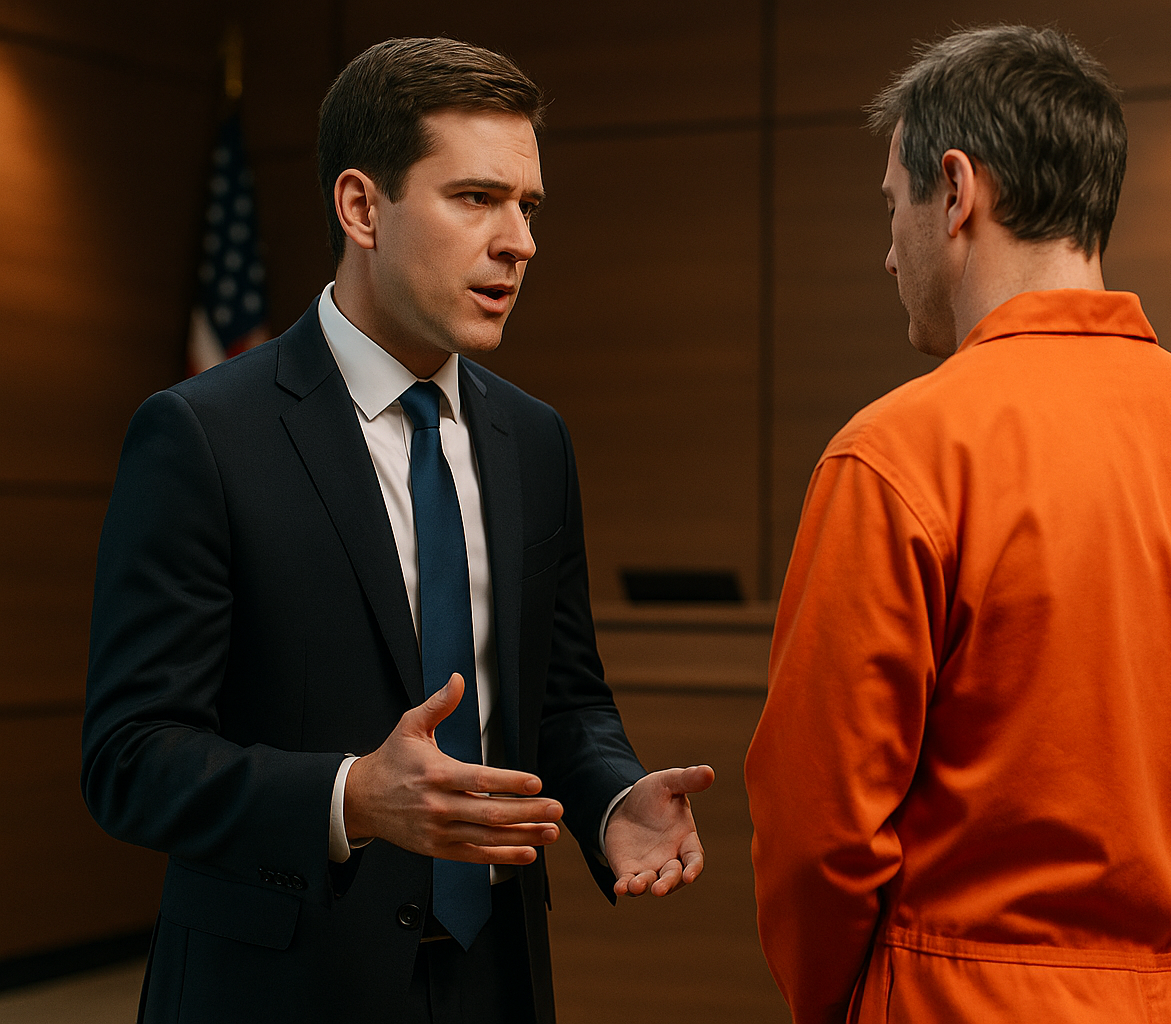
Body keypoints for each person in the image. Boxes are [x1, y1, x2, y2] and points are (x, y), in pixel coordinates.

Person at [82, 37, 713, 1024]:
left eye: (528, 206)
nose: (520, 242)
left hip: (496, 975)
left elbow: (565, 701)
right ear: (361, 207)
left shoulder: (534, 440)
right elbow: (130, 757)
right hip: (278, 987)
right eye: (475, 199)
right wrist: (350, 797)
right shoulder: (202, 435)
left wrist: (609, 798)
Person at [745, 24, 1171, 1024]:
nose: (889, 252)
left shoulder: (894, 454)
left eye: (893, 208)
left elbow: (821, 828)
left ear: (957, 190)